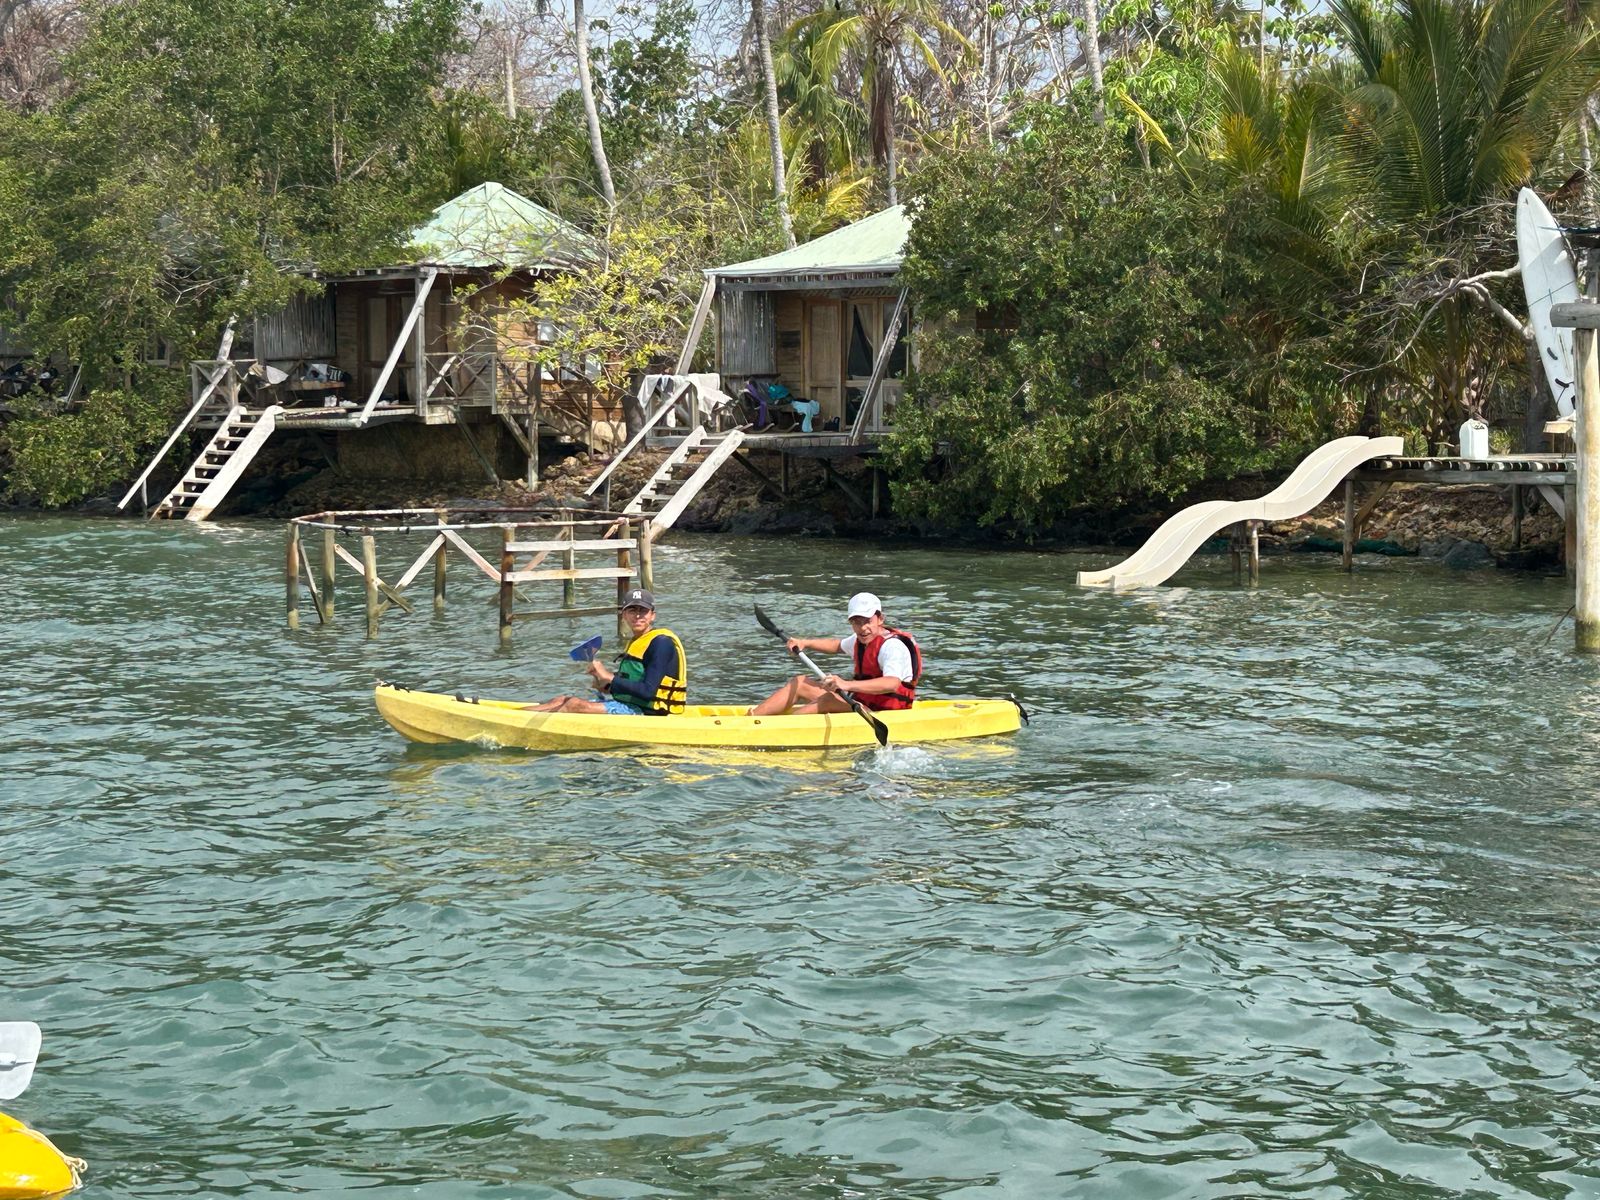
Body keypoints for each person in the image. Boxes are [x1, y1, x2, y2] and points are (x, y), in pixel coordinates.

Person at [750, 592, 921, 716]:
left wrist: (845, 684)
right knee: (800, 682)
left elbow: (891, 683)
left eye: (867, 621)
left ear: (880, 619)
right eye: (856, 623)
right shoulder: (861, 639)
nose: (862, 628)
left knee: (828, 700)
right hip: (862, 703)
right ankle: (753, 719)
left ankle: (777, 731)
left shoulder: (892, 646)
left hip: (885, 713)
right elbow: (837, 645)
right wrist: (805, 643)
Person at [527, 589, 687, 715]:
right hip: (631, 705)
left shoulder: (661, 642)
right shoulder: (637, 641)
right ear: (624, 615)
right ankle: (509, 716)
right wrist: (608, 686)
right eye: (632, 610)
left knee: (573, 705)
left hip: (651, 713)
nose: (637, 616)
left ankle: (528, 729)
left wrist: (608, 676)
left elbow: (647, 692)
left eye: (643, 611)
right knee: (561, 700)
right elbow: (634, 684)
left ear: (652, 616)